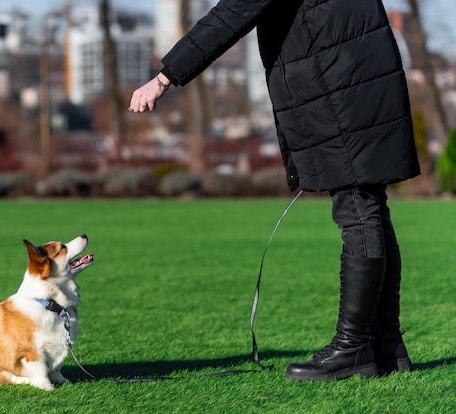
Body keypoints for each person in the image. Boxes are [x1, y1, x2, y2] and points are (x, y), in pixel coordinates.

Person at [129, 0, 420, 381]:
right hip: (358, 74)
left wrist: (164, 77)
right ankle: (385, 343)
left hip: (336, 84)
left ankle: (353, 348)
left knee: (357, 211)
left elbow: (233, 12)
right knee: (370, 207)